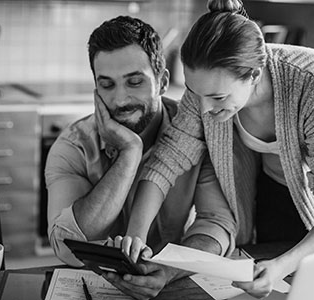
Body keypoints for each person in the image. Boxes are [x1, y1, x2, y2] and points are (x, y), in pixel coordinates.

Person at [124, 0, 314, 298]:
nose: (205, 108)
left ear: (255, 76)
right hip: (274, 191)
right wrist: (136, 236)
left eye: (218, 98)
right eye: (196, 94)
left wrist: (279, 266)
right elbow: (166, 161)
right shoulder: (206, 92)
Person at [44, 15, 235, 299]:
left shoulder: (198, 134)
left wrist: (169, 270)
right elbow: (66, 245)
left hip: (174, 283)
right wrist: (129, 154)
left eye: (134, 82)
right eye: (107, 85)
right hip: (95, 288)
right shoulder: (73, 146)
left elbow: (217, 224)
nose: (121, 100)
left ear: (162, 82)